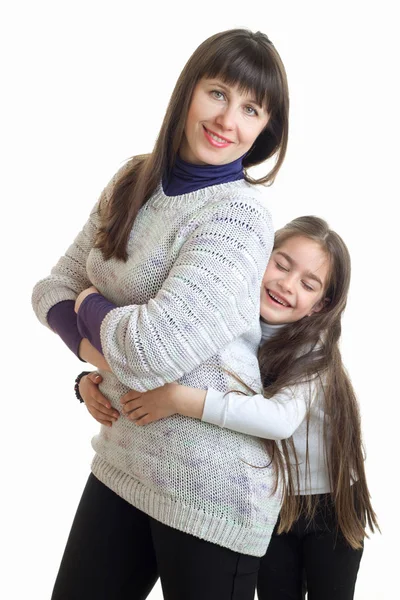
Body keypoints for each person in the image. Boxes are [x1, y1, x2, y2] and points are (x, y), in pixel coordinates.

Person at [31, 29, 290, 600]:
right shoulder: (132, 179)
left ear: (265, 129)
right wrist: (95, 357)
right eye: (218, 93)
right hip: (126, 458)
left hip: (211, 483)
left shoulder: (238, 219)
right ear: (188, 92)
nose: (229, 120)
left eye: (252, 109)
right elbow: (51, 288)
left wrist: (87, 306)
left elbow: (152, 352)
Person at [80, 216, 379, 600]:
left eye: (307, 284)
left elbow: (278, 420)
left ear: (319, 306)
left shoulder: (313, 350)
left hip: (329, 503)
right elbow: (171, 357)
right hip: (275, 503)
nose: (286, 285)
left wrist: (177, 399)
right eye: (281, 264)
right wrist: (88, 381)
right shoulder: (230, 319)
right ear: (256, 258)